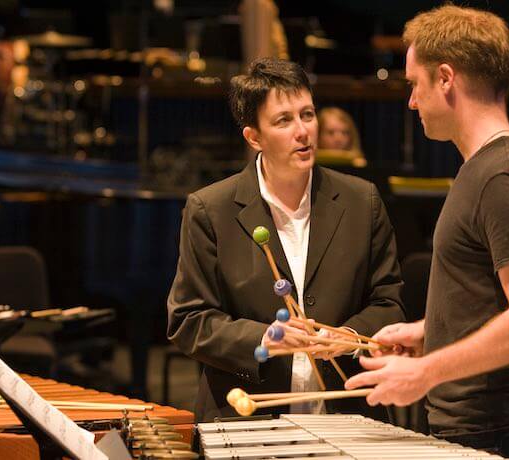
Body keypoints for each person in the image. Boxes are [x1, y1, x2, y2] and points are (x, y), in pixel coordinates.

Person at [345, 5, 509, 459]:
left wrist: (427, 371)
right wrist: (433, 332)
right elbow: (493, 303)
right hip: (488, 432)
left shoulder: (503, 176)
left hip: (507, 435)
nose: (411, 102)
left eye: (415, 84)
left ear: (446, 78)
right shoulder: (485, 169)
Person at [167, 57, 404, 422]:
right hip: (246, 417)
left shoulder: (362, 201)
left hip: (347, 414)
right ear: (254, 137)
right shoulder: (210, 209)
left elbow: (389, 303)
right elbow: (189, 319)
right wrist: (263, 339)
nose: (303, 130)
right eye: (284, 120)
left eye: (307, 115)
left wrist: (351, 336)